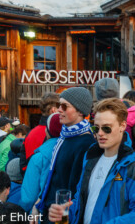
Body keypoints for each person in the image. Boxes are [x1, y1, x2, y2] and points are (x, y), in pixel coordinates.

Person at [48, 98, 135, 224]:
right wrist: (66, 212)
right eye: (96, 128)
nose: (100, 133)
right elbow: (81, 201)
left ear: (122, 126)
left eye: (106, 128)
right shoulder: (90, 158)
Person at [36, 87, 96, 222]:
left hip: (60, 214)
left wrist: (64, 216)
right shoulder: (65, 136)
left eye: (64, 106)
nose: (59, 110)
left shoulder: (85, 143)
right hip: (49, 208)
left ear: (80, 111)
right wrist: (39, 201)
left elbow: (75, 188)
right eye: (59, 105)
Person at [20, 113, 63, 213]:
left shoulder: (39, 157)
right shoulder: (71, 150)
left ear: (48, 131)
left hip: (41, 213)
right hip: (64, 210)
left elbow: (28, 198)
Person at [20, 92, 59, 176]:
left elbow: (23, 166)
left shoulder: (30, 134)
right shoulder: (57, 133)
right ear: (54, 110)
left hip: (30, 179)